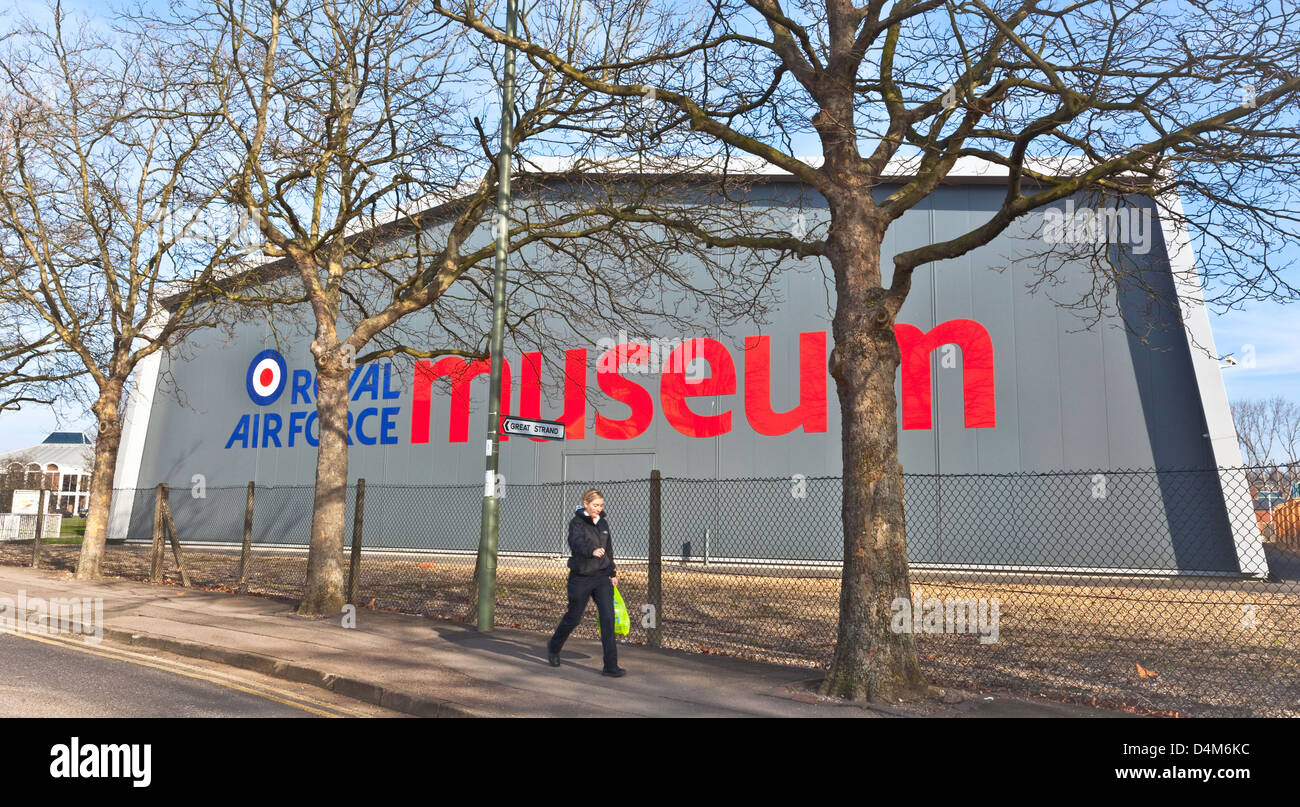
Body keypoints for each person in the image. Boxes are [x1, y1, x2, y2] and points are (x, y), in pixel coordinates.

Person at [546, 488, 625, 676]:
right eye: (595, 505)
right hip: (581, 577)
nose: (598, 508)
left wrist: (612, 572)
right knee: (574, 617)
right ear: (585, 504)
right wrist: (592, 550)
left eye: (601, 505)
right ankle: (554, 647)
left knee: (608, 618)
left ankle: (610, 666)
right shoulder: (577, 523)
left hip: (602, 577)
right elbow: (575, 543)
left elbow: (609, 549)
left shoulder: (603, 523)